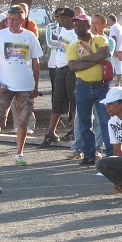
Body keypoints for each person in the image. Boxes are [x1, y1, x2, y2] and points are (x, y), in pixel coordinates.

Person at [0, 5, 42, 168]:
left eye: (15, 19)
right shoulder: (1, 35)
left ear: (22, 20)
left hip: (24, 84)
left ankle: (19, 154)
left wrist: (35, 85)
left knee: (23, 121)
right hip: (5, 85)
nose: (12, 22)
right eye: (9, 19)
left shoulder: (30, 36)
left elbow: (35, 62)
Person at [67, 13, 113, 166]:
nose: (78, 28)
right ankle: (89, 154)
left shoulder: (100, 39)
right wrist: (97, 59)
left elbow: (105, 53)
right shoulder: (73, 46)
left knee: (106, 121)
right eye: (76, 26)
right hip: (83, 86)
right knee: (85, 122)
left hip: (101, 86)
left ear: (89, 26)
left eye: (81, 25)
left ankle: (112, 154)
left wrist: (84, 59)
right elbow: (74, 66)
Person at [42, 8, 77, 145]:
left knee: (73, 100)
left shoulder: (75, 32)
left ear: (70, 18)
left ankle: (74, 130)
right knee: (57, 100)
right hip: (60, 68)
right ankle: (51, 131)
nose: (60, 20)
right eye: (58, 18)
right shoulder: (62, 31)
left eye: (63, 18)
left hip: (70, 69)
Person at [106, 14, 122, 86]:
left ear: (112, 20)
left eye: (109, 20)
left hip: (116, 49)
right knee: (118, 66)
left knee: (112, 66)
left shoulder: (113, 27)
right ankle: (118, 83)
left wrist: (113, 50)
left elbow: (114, 38)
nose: (108, 22)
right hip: (120, 49)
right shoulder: (119, 26)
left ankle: (111, 82)